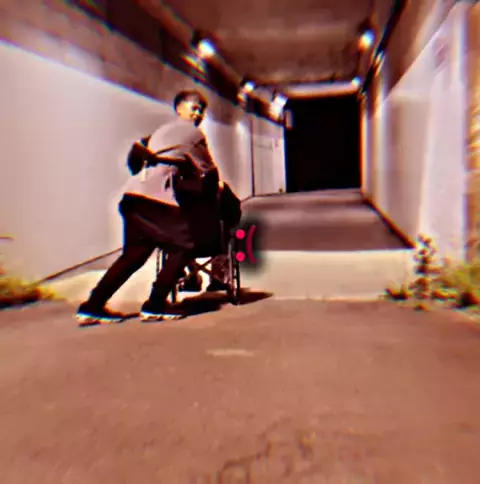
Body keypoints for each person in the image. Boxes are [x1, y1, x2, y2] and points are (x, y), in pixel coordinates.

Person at [76, 92, 222, 325]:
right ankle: (156, 303)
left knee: (134, 255)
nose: (198, 114)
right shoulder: (193, 134)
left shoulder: (159, 133)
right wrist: (213, 197)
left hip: (133, 196)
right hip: (155, 200)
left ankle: (93, 306)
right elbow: (208, 171)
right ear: (179, 109)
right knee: (186, 244)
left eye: (201, 110)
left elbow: (134, 159)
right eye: (193, 108)